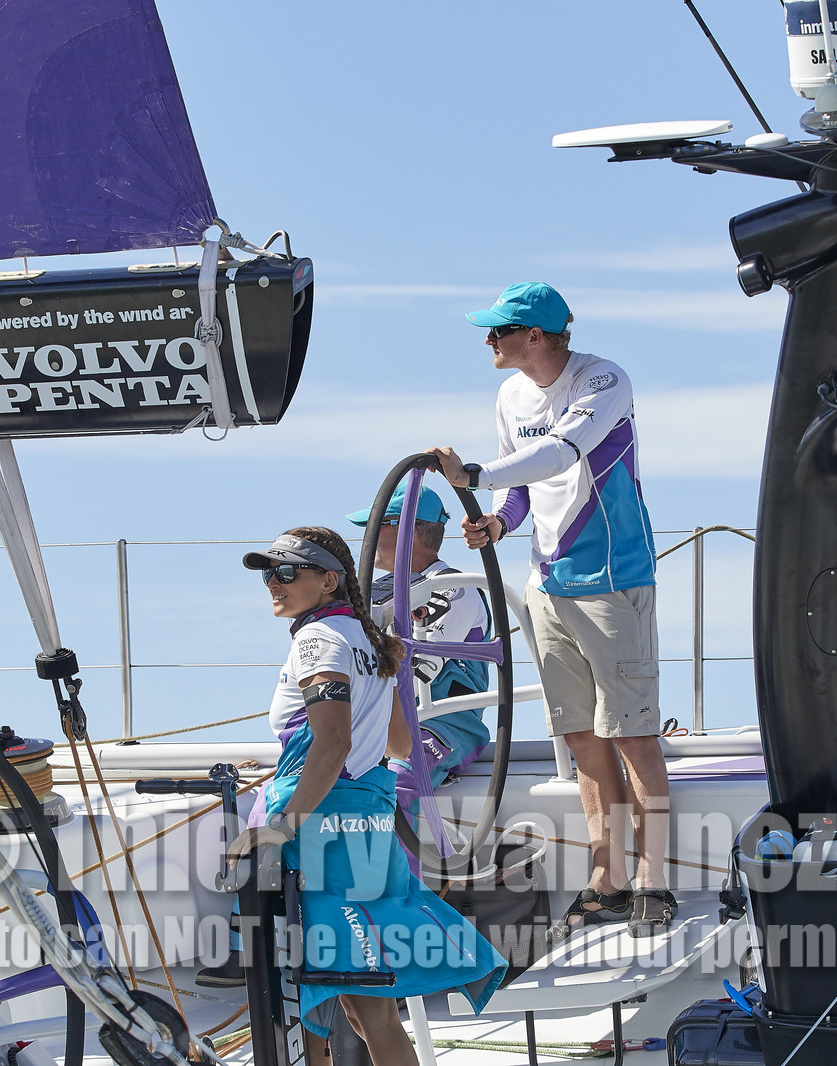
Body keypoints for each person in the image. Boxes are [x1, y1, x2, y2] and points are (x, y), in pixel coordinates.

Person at [426, 281, 674, 942]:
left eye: (499, 332)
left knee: (633, 735)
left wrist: (473, 477)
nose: (489, 343)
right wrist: (498, 525)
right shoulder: (510, 395)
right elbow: (527, 488)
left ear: (535, 336)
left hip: (613, 578)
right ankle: (609, 879)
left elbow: (561, 453)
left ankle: (655, 880)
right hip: (548, 584)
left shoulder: (603, 379)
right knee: (582, 736)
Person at [227, 528, 504, 1060]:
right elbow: (399, 743)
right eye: (268, 573)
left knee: (305, 993)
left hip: (318, 832)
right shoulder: (368, 640)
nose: (273, 584)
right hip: (366, 822)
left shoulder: (316, 641)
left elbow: (331, 745)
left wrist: (280, 826)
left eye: (287, 573)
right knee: (366, 1004)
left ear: (329, 580)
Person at [347, 486, 491, 815]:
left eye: (373, 526)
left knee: (393, 784)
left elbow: (419, 672)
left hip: (444, 727)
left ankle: (400, 869)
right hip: (386, 722)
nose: (366, 539)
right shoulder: (380, 596)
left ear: (405, 528)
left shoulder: (453, 589)